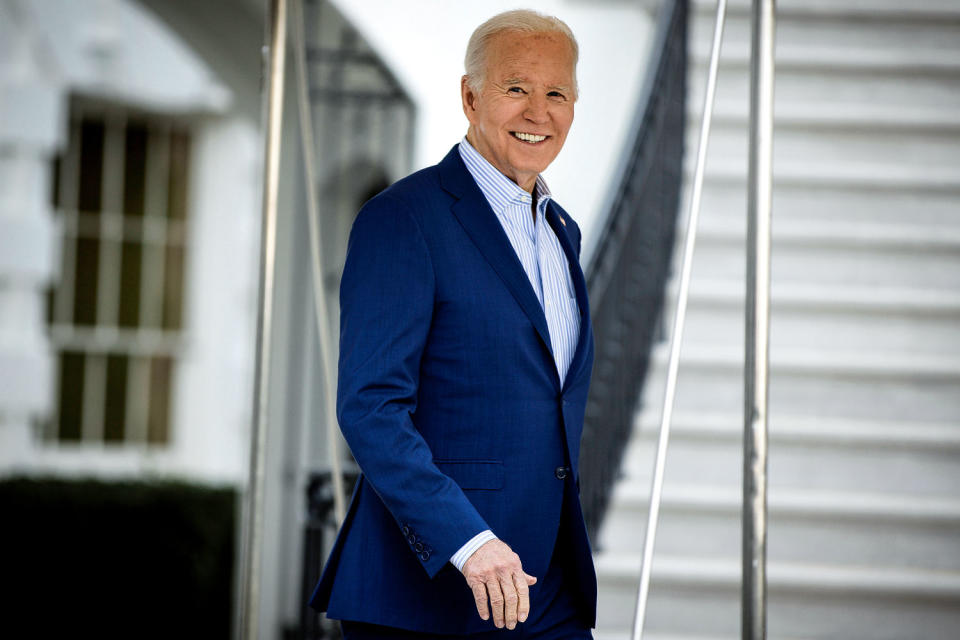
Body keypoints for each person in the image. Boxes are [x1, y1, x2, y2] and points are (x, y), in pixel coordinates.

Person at [309, 9, 596, 639]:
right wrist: (468, 543)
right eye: (516, 88)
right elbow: (371, 407)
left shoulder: (561, 231)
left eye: (557, 93)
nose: (538, 112)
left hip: (548, 591)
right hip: (429, 593)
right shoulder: (403, 220)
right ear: (470, 96)